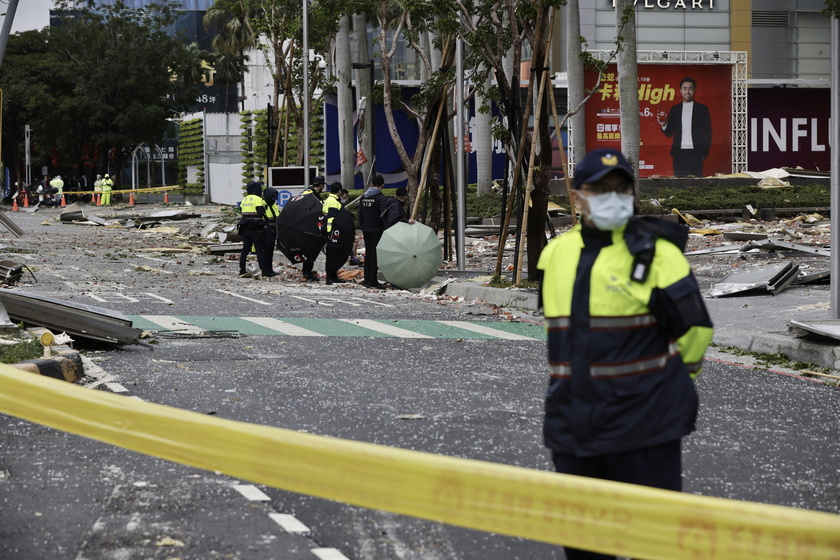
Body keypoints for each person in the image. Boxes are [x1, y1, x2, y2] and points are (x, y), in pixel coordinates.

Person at [536, 148, 713, 560]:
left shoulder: (657, 253)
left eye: (621, 188)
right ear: (578, 196)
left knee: (652, 545)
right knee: (585, 548)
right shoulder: (554, 255)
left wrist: (662, 385)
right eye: (600, 189)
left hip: (645, 428)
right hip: (574, 425)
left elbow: (697, 330)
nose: (612, 197)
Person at [657, 76, 712, 177]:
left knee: (696, 183)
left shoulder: (702, 109)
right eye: (685, 88)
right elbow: (669, 133)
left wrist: (703, 153)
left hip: (696, 153)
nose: (687, 92)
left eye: (690, 88)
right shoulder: (675, 109)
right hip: (679, 153)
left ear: (694, 90)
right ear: (680, 91)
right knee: (679, 183)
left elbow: (708, 133)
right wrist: (664, 125)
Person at [357, 174, 389, 289]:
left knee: (368, 253)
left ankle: (366, 279)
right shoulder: (381, 198)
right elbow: (384, 214)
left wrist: (362, 226)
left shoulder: (363, 197)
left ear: (371, 184)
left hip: (366, 229)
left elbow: (359, 214)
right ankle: (372, 281)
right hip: (377, 229)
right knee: (375, 254)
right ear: (382, 185)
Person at [237, 181, 269, 278]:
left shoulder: (245, 199)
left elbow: (242, 211)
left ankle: (242, 269)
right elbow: (260, 212)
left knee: (245, 249)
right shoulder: (258, 199)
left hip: (245, 228)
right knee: (259, 249)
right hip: (256, 228)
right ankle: (264, 270)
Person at [322, 182, 351, 285]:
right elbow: (331, 217)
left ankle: (333, 276)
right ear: (339, 191)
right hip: (333, 231)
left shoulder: (328, 200)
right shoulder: (334, 202)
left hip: (330, 231)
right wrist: (330, 231)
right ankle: (330, 277)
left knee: (332, 255)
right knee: (332, 255)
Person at [301, 176, 327, 281]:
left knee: (311, 251)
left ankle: (307, 272)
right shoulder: (310, 195)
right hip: (308, 226)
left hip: (310, 225)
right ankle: (306, 273)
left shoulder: (311, 194)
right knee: (309, 250)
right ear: (321, 185)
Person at [261, 187, 280, 278]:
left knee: (270, 251)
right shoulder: (263, 205)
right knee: (266, 252)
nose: (273, 201)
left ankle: (269, 269)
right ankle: (265, 270)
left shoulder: (274, 205)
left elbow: (277, 216)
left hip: (273, 230)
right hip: (265, 230)